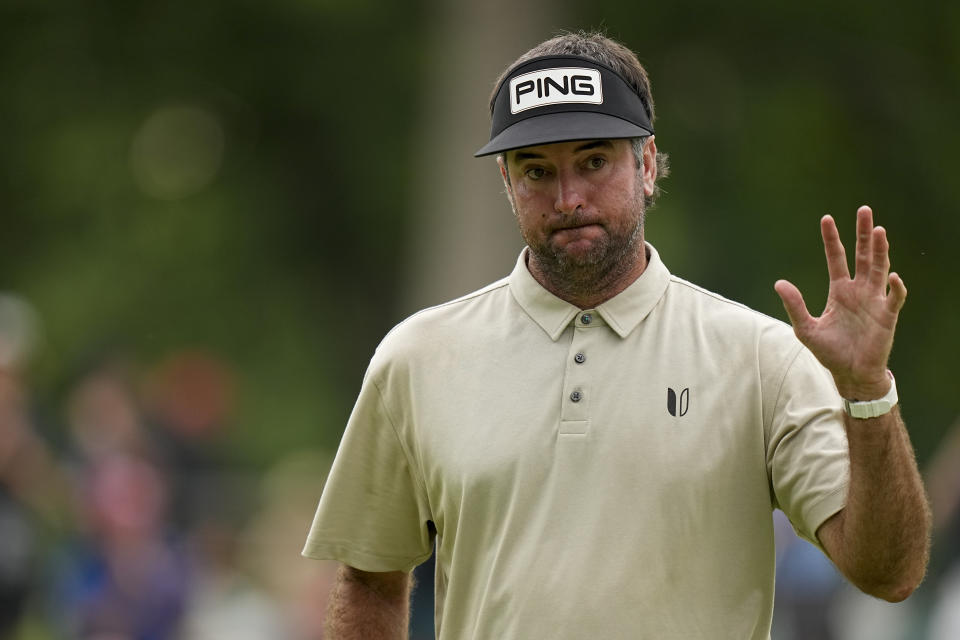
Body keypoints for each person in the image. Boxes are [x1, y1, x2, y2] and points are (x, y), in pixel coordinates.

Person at [302, 32, 931, 639]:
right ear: (506, 182)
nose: (568, 196)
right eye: (536, 171)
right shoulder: (418, 358)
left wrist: (868, 392)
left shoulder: (762, 358)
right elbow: (370, 578)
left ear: (648, 163)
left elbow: (889, 572)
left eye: (594, 161)